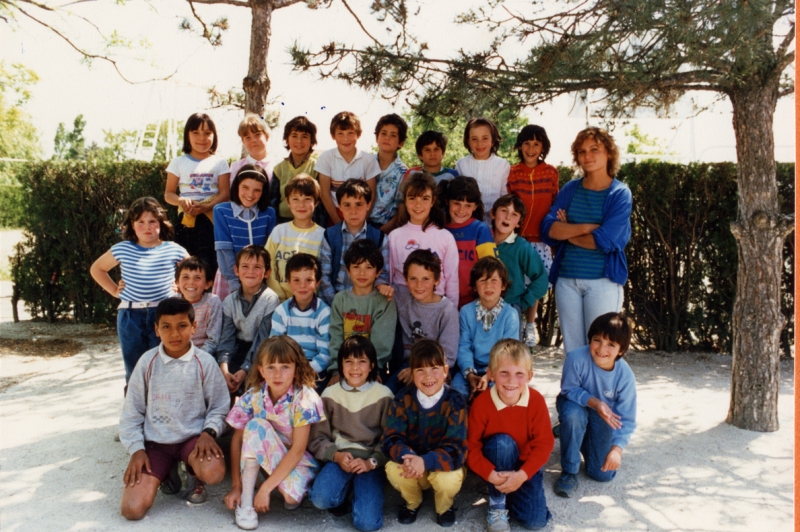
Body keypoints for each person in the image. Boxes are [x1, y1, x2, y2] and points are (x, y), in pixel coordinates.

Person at [118, 297, 229, 519]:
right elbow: (131, 413)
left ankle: (193, 473)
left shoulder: (204, 362)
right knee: (132, 509)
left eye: (182, 326)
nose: (175, 334)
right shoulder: (147, 362)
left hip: (192, 441)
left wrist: (209, 433)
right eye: (166, 327)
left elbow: (220, 406)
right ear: (156, 329)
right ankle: (166, 472)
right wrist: (136, 450)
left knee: (214, 472)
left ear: (194, 327)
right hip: (156, 443)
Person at [540, 127, 632, 355]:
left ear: (609, 153)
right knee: (573, 351)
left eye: (594, 150)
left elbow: (605, 241)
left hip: (603, 281)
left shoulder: (619, 193)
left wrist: (567, 229)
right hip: (567, 280)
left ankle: (597, 393)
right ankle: (573, 392)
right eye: (581, 151)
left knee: (601, 348)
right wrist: (586, 228)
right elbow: (548, 229)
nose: (587, 156)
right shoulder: (571, 189)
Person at [224, 336, 326, 530]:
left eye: (285, 367)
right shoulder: (253, 396)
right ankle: (246, 502)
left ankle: (263, 481)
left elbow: (297, 450)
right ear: (261, 370)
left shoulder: (304, 397)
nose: (277, 374)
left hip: (296, 459)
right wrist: (236, 486)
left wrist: (265, 489)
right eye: (271, 367)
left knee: (290, 498)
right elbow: (237, 441)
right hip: (262, 452)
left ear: (296, 368)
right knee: (255, 426)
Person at [90, 197, 188, 382]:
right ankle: (136, 409)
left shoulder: (173, 249)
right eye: (140, 222)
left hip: (164, 315)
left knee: (165, 366)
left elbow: (192, 273)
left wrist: (181, 289)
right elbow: (97, 269)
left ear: (161, 223)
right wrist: (114, 291)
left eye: (152, 221)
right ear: (132, 225)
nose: (147, 227)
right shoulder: (123, 248)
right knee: (135, 370)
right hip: (130, 316)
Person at [308, 336, 395, 532]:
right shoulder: (330, 395)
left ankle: (363, 491)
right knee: (320, 499)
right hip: (340, 459)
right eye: (349, 362)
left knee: (367, 524)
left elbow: (390, 438)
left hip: (371, 463)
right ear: (340, 365)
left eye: (362, 361)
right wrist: (336, 456)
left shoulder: (384, 395)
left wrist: (372, 461)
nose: (355, 368)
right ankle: (346, 490)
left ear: (372, 365)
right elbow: (317, 438)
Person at [467, 339, 554, 531]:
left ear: (530, 376)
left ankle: (512, 492)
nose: (511, 381)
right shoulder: (482, 404)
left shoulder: (536, 401)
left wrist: (522, 475)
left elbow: (544, 443)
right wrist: (490, 475)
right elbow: (471, 447)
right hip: (496, 460)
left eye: (519, 374)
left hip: (525, 466)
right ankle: (497, 503)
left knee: (536, 522)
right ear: (490, 374)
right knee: (503, 443)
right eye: (503, 373)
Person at [381, 339, 467, 528]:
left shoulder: (455, 401)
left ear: (445, 371)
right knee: (393, 469)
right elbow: (390, 439)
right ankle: (413, 501)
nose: (428, 376)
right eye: (420, 370)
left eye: (434, 368)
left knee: (449, 479)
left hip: (441, 466)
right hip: (413, 465)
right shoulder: (402, 398)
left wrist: (425, 461)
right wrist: (409, 457)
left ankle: (444, 507)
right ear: (411, 373)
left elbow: (456, 448)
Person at [554, 312, 637, 498]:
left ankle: (576, 434)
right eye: (597, 340)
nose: (601, 348)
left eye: (611, 344)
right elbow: (568, 389)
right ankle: (569, 470)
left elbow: (628, 418)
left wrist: (617, 449)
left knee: (602, 474)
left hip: (602, 418)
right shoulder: (576, 358)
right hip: (574, 404)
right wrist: (596, 402)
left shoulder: (625, 376)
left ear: (621, 351)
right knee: (574, 416)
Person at [215, 114, 277, 294]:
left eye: (257, 135)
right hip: (233, 263)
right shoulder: (235, 166)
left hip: (261, 224)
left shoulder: (277, 166)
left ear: (267, 135)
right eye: (247, 137)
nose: (253, 140)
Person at [164, 112, 230, 277]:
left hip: (212, 221)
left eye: (207, 133)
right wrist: (181, 201)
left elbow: (225, 194)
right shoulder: (178, 162)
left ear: (214, 136)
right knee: (186, 266)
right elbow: (168, 194)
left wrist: (206, 206)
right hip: (186, 221)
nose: (202, 138)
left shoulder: (220, 162)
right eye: (196, 133)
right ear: (187, 135)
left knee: (211, 267)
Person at [390, 250, 459, 394]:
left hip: (433, 369)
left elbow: (448, 356)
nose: (419, 285)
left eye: (426, 279)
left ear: (437, 279)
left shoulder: (447, 310)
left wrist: (417, 370)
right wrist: (380, 285)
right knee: (387, 395)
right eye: (413, 278)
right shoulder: (401, 296)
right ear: (405, 278)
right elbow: (378, 285)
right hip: (405, 365)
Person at [215, 245, 280, 395]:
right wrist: (224, 368)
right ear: (236, 270)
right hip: (237, 350)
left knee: (252, 384)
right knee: (222, 383)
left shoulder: (270, 299)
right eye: (245, 266)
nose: (250, 272)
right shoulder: (230, 301)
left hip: (260, 352)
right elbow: (227, 339)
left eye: (257, 267)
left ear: (267, 272)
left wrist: (245, 370)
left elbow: (262, 340)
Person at [328, 239, 397, 380]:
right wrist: (336, 370)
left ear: (378, 272)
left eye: (369, 267)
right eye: (356, 267)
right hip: (344, 368)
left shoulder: (384, 301)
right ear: (347, 270)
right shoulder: (340, 299)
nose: (362, 273)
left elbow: (382, 342)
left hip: (373, 368)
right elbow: (336, 337)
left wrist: (374, 370)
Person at [453, 257, 520, 400]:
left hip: (499, 370)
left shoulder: (510, 315)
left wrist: (489, 376)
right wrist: (470, 375)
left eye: (494, 280)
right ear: (475, 286)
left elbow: (508, 353)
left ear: (503, 285)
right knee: (457, 392)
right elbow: (464, 346)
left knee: (493, 396)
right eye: (483, 281)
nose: (488, 285)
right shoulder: (466, 312)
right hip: (470, 367)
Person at [388, 171, 459, 306]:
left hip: (435, 308)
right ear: (405, 201)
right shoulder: (394, 237)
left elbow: (452, 280)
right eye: (412, 198)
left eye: (425, 198)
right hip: (402, 308)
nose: (418, 205)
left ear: (433, 201)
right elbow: (389, 278)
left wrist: (452, 312)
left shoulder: (445, 237)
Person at [319, 178, 391, 306]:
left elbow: (383, 274)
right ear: (340, 206)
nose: (353, 211)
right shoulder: (330, 236)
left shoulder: (379, 238)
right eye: (347, 205)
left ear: (368, 205)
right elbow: (324, 277)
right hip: (336, 302)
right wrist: (336, 305)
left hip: (369, 303)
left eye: (359, 204)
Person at [491, 194, 548, 347]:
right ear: (493, 213)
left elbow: (541, 279)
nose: (508, 217)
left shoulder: (521, 246)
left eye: (514, 214)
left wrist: (523, 302)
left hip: (511, 306)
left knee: (509, 353)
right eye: (503, 211)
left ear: (518, 223)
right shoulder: (481, 239)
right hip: (481, 306)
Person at [213, 164, 277, 300]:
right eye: (245, 187)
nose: (250, 194)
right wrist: (236, 285)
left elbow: (270, 250)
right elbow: (224, 250)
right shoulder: (221, 211)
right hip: (229, 277)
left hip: (258, 277)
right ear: (236, 186)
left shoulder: (269, 213)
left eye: (257, 190)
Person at [270, 253, 331, 391]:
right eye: (296, 280)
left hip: (314, 370)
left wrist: (304, 371)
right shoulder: (281, 312)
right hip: (286, 368)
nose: (302, 285)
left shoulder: (324, 313)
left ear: (318, 282)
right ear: (288, 282)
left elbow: (325, 354)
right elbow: (275, 347)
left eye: (308, 280)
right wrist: (288, 370)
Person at [506, 124, 560, 274]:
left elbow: (555, 202)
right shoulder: (511, 172)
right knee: (516, 284)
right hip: (516, 239)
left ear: (543, 148)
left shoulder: (551, 173)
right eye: (527, 144)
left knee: (537, 286)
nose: (531, 149)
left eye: (536, 144)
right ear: (519, 146)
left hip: (542, 240)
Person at [265, 174, 326, 301]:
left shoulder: (323, 235)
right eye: (295, 199)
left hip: (311, 302)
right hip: (279, 301)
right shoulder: (279, 231)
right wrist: (278, 296)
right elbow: (268, 264)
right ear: (287, 201)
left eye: (307, 199)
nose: (301, 204)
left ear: (316, 203)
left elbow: (324, 272)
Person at [315, 111, 381, 225]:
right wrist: (338, 223)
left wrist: (361, 222)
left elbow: (371, 194)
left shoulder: (369, 160)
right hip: (335, 213)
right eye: (340, 133)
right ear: (333, 135)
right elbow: (324, 193)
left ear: (358, 134)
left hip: (360, 213)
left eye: (351, 133)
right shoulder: (326, 158)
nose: (346, 139)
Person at [442, 176, 498, 309]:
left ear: (475, 206)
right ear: (447, 201)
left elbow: (490, 270)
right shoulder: (440, 229)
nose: (461, 210)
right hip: (443, 301)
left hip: (473, 303)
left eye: (468, 205)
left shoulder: (480, 230)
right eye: (457, 203)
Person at [454, 118, 510, 224]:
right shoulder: (461, 164)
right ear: (468, 141)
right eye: (474, 139)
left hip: (494, 223)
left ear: (492, 140)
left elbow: (504, 197)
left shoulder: (502, 165)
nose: (480, 143)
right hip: (467, 221)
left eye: (485, 138)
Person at [271, 116, 319, 224]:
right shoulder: (279, 169)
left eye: (304, 136)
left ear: (312, 141)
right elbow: (273, 202)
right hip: (282, 222)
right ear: (287, 140)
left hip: (309, 223)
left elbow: (319, 204)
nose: (299, 141)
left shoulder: (317, 168)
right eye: (294, 136)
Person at [369, 113, 409, 232]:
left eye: (393, 135)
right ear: (377, 138)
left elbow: (400, 207)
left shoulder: (403, 171)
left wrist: (385, 230)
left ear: (400, 142)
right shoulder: (366, 163)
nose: (387, 138)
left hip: (386, 228)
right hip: (361, 223)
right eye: (383, 133)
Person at [175, 256, 222, 354]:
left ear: (207, 284)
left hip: (203, 354)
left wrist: (196, 358)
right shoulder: (172, 302)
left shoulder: (213, 302)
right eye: (185, 277)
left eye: (197, 278)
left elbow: (213, 340)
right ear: (177, 282)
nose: (191, 282)